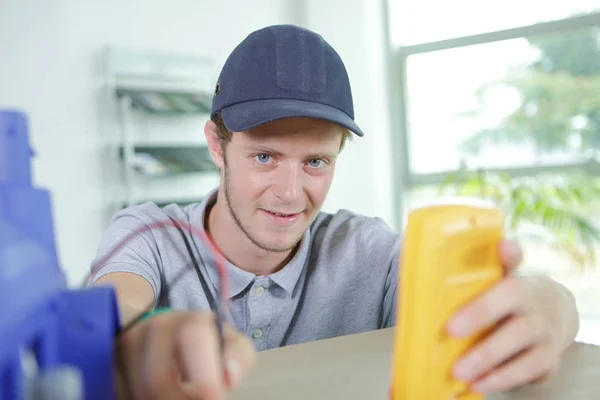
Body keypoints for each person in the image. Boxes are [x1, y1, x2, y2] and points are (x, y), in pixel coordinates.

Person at [89, 24, 580, 400]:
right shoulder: (149, 234)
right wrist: (139, 337)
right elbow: (111, 312)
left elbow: (503, 301)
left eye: (316, 162)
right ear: (217, 146)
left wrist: (544, 302)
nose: (290, 192)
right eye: (265, 157)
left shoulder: (365, 249)